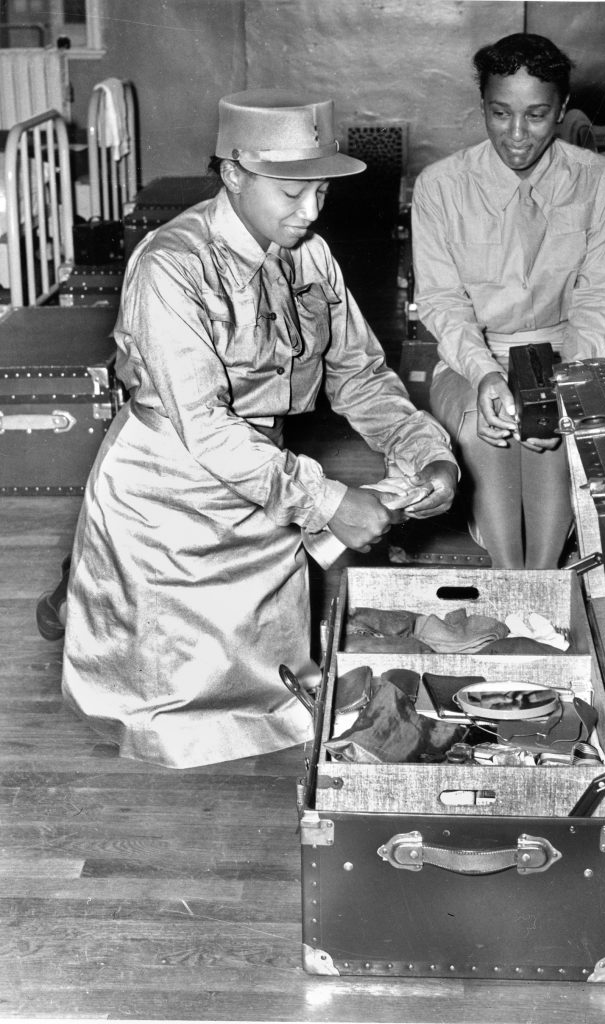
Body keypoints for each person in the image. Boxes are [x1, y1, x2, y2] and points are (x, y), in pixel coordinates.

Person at [58, 91, 458, 769]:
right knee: (175, 724)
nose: (310, 212)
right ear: (235, 173)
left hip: (264, 488)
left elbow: (359, 374)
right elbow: (207, 428)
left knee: (276, 707)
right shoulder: (171, 265)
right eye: (291, 191)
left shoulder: (309, 257)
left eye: (320, 193)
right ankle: (84, 603)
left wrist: (425, 453)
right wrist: (329, 500)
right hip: (168, 508)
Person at [411, 33, 605, 569]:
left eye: (535, 115)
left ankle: (545, 578)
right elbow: (442, 302)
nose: (515, 135)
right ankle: (511, 582)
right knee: (489, 432)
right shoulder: (440, 186)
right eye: (499, 113)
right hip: (471, 356)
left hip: (568, 353)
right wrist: (484, 374)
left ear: (561, 110)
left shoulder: (601, 181)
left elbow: (599, 298)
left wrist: (572, 384)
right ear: (482, 106)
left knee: (554, 441)